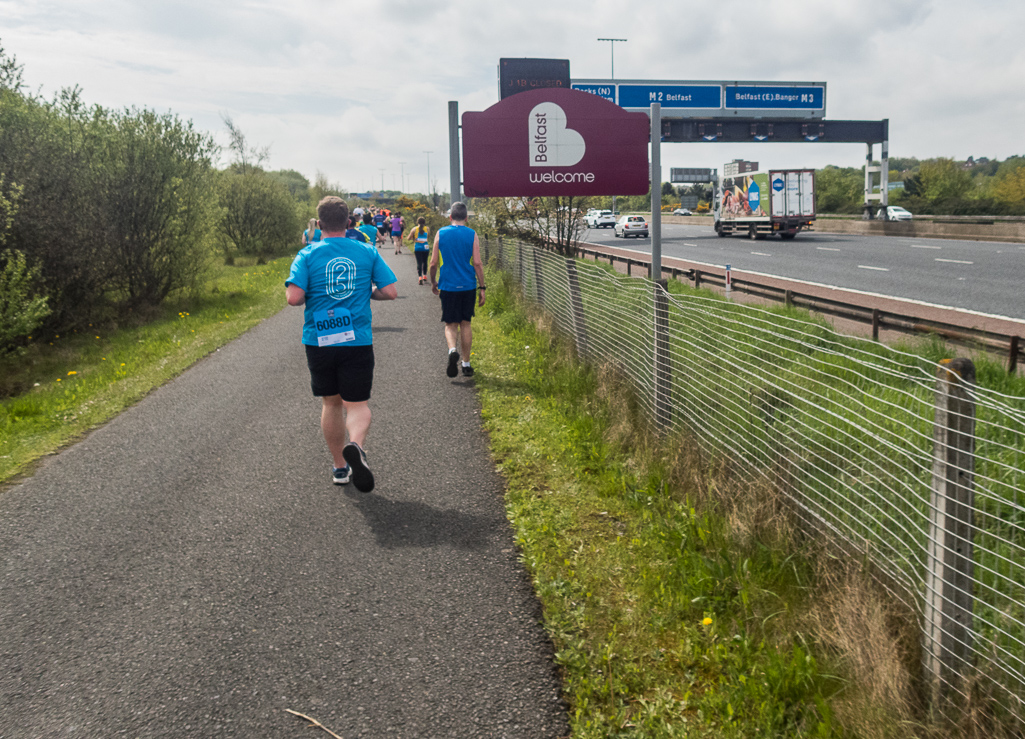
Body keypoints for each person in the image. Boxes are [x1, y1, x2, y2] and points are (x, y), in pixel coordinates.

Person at [286, 196, 398, 491]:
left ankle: (339, 468)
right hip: (356, 339)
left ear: (319, 224)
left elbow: (294, 298)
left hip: (319, 339)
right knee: (357, 404)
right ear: (349, 223)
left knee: (331, 403)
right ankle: (357, 447)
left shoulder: (307, 254)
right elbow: (390, 292)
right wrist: (368, 292)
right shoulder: (367, 251)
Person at [429, 201, 485, 378]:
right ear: (466, 218)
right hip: (467, 285)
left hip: (448, 285)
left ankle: (452, 349)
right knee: (465, 323)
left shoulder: (441, 233)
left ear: (450, 217)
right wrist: (482, 287)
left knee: (450, 324)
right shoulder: (472, 234)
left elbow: (433, 263)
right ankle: (466, 364)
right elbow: (477, 263)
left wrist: (433, 282)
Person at [408, 217, 431, 284]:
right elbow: (428, 236)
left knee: (419, 263)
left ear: (417, 222)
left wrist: (413, 238)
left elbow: (409, 238)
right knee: (425, 262)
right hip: (426, 247)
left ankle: (420, 277)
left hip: (418, 248)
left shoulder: (414, 229)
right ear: (424, 222)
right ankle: (425, 276)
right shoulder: (427, 229)